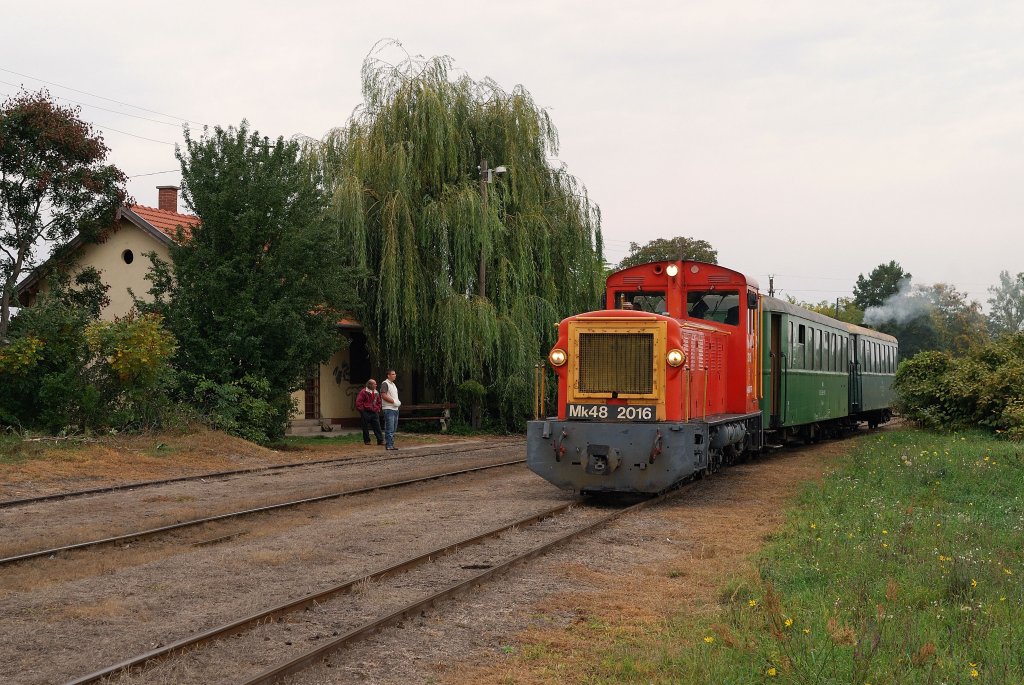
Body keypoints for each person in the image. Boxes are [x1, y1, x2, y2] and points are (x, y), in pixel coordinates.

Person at [355, 379, 384, 446]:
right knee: (365, 427)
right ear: (370, 385)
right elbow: (358, 402)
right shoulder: (363, 392)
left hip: (374, 412)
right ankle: (367, 441)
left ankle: (380, 440)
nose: (376, 385)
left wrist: (377, 409)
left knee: (377, 426)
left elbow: (379, 402)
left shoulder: (376, 392)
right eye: (375, 384)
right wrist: (362, 411)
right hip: (366, 412)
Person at [379, 369, 401, 450]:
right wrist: (394, 402)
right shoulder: (385, 383)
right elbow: (383, 395)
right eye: (393, 374)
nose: (395, 375)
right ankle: (389, 445)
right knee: (390, 428)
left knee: (394, 428)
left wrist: (397, 402)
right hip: (389, 409)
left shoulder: (393, 385)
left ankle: (391, 444)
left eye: (395, 374)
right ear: (388, 375)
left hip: (395, 409)